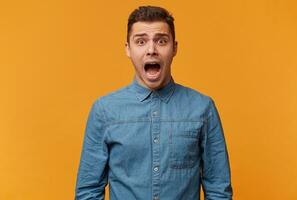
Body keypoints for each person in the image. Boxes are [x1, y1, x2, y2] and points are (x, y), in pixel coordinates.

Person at [75, 5, 233, 200]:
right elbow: (88, 191)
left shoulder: (203, 108)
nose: (151, 50)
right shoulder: (104, 111)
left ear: (174, 48)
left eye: (161, 41)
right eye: (141, 41)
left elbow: (219, 190)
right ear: (128, 49)